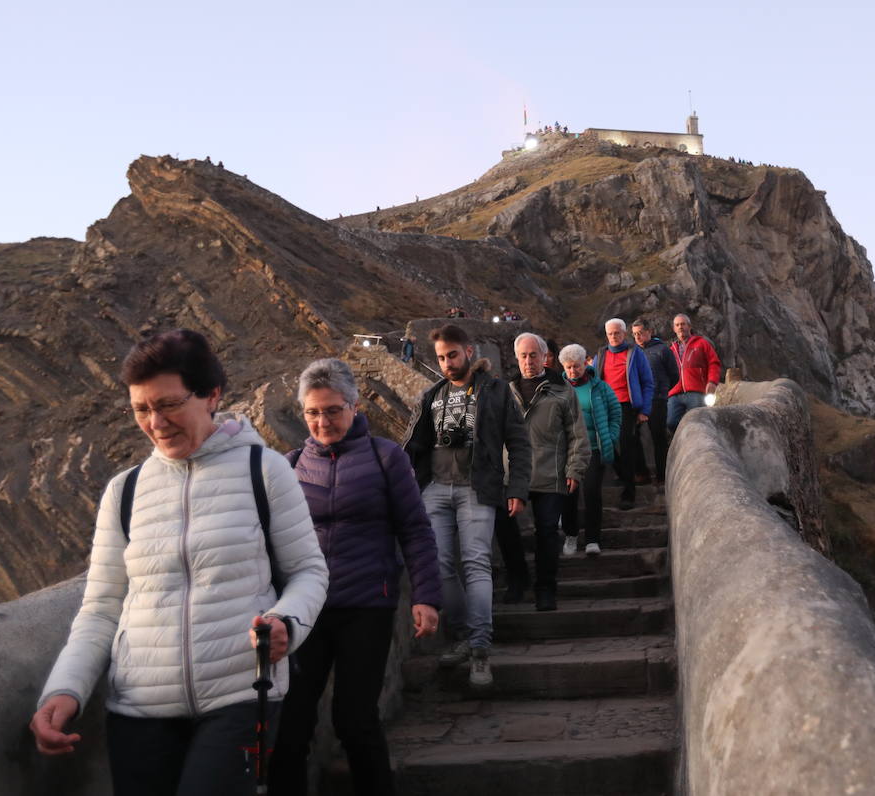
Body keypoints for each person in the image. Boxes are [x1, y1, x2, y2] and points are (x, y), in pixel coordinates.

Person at [30, 329, 328, 796]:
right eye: (141, 410)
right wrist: (64, 690)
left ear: (212, 396)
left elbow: (309, 571)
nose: (155, 422)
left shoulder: (264, 470)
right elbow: (102, 607)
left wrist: (286, 621)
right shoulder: (123, 492)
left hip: (241, 696)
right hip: (138, 709)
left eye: (168, 404)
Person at [269, 359, 442, 796]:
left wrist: (426, 596)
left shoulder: (387, 457)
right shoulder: (290, 467)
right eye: (312, 412)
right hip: (305, 611)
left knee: (355, 719)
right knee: (290, 721)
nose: (322, 421)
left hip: (367, 603)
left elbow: (415, 529)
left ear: (354, 406)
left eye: (332, 410)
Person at [403, 324, 530, 690]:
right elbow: (411, 446)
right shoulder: (431, 395)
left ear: (469, 351)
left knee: (475, 562)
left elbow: (519, 443)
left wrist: (517, 488)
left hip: (477, 487)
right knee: (440, 565)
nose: (447, 363)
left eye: (452, 355)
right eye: (441, 358)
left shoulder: (495, 391)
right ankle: (463, 634)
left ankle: (479, 647)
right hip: (435, 489)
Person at [495, 334, 589, 610]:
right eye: (523, 356)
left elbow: (577, 434)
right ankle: (517, 577)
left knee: (547, 531)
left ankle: (546, 588)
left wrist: (575, 468)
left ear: (544, 356)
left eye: (533, 355)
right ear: (516, 358)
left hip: (551, 471)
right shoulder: (504, 391)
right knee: (503, 525)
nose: (528, 361)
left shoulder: (562, 390)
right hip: (513, 474)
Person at [558, 344, 620, 557]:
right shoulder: (557, 389)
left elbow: (616, 411)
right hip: (567, 451)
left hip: (593, 448)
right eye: (568, 367)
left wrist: (611, 437)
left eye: (576, 366)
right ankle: (571, 535)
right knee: (568, 495)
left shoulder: (600, 387)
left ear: (585, 363)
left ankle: (593, 539)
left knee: (592, 493)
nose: (573, 371)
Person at [593, 318, 654, 510]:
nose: (613, 337)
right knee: (607, 444)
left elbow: (648, 382)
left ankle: (629, 493)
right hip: (606, 406)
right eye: (610, 334)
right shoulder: (601, 355)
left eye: (617, 333)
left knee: (626, 446)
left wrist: (644, 410)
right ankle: (624, 474)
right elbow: (592, 379)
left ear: (624, 334)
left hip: (627, 406)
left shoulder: (635, 353)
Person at [630, 318, 678, 491]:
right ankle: (641, 473)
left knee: (658, 437)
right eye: (635, 334)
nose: (638, 337)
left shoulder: (663, 350)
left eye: (640, 333)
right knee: (633, 435)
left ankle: (661, 476)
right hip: (637, 400)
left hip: (657, 399)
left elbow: (674, 375)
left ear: (649, 331)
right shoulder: (632, 351)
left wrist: (663, 391)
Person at [667, 313, 723, 431]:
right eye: (677, 325)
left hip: (696, 391)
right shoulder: (671, 349)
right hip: (674, 393)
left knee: (699, 422)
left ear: (689, 326)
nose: (680, 327)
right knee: (671, 423)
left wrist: (712, 382)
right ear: (674, 329)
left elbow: (714, 363)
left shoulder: (701, 343)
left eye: (683, 324)